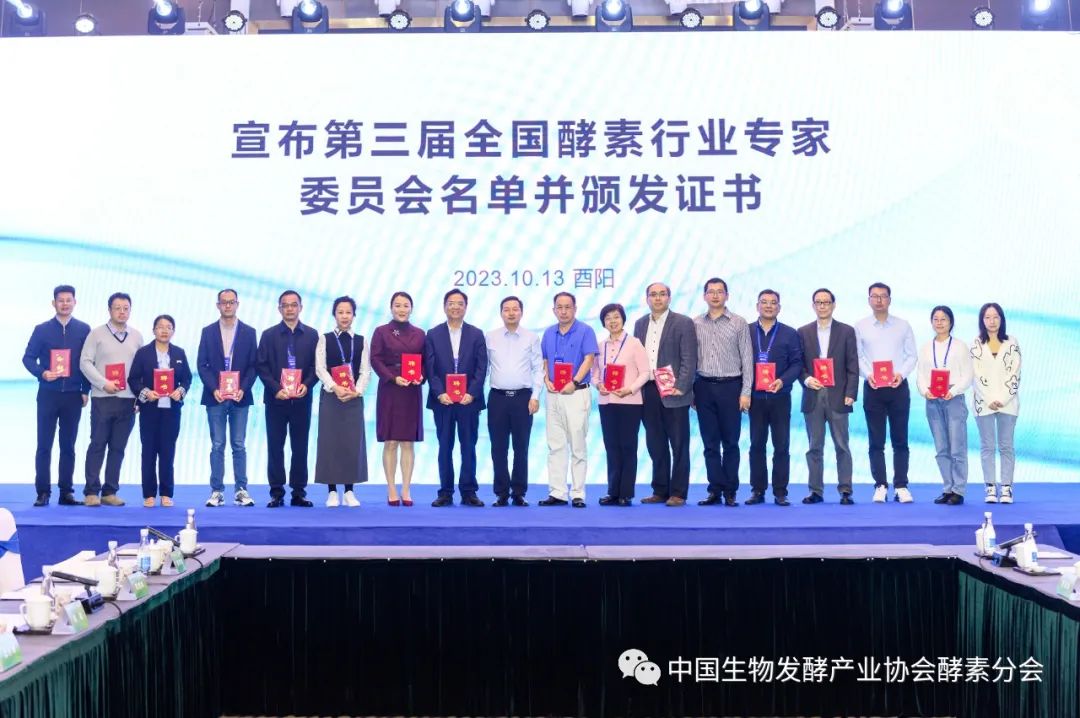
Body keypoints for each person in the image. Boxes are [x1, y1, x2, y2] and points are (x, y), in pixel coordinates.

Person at [22, 285, 91, 507]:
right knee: (44, 444)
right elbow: (28, 358)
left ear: (75, 302)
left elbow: (88, 362)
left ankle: (66, 492)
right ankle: (43, 492)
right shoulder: (42, 330)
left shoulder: (83, 329)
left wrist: (85, 390)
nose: (65, 304)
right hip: (48, 394)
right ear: (54, 303)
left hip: (73, 396)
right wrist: (42, 372)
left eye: (69, 300)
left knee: (68, 446)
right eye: (60, 300)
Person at [632, 282, 697, 507]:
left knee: (679, 444)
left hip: (674, 389)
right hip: (648, 389)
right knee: (655, 443)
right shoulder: (640, 323)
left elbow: (689, 358)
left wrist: (683, 386)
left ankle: (678, 492)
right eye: (653, 294)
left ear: (669, 298)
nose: (657, 298)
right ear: (647, 299)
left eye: (662, 294)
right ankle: (660, 490)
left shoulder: (683, 322)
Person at [424, 289, 488, 507]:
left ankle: (469, 492)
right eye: (451, 303)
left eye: (460, 303)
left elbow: (482, 367)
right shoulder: (433, 334)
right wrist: (439, 392)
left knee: (468, 446)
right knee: (445, 447)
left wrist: (472, 393)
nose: (455, 307)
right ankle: (445, 492)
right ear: (444, 307)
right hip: (443, 401)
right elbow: (430, 367)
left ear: (466, 307)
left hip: (469, 401)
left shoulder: (476, 334)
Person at [855, 282, 918, 503]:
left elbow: (912, 355)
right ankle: (880, 485)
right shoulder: (861, 326)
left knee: (900, 440)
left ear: (890, 299)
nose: (879, 300)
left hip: (898, 387)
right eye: (874, 296)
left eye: (883, 296)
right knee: (876, 441)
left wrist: (901, 373)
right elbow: (857, 356)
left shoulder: (903, 325)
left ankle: (901, 485)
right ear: (869, 300)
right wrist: (868, 374)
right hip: (873, 388)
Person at [79, 292, 143, 507]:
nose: (122, 312)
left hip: (128, 400)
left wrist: (139, 398)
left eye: (126, 308)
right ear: (109, 310)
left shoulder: (137, 336)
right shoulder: (96, 334)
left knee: (118, 447)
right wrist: (102, 383)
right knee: (97, 444)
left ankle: (110, 491)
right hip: (103, 398)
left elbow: (141, 370)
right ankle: (91, 491)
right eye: (117, 308)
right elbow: (85, 362)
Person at [256, 290, 319, 508]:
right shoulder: (268, 335)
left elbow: (316, 366)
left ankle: (299, 493)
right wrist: (276, 389)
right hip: (276, 400)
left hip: (302, 400)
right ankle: (276, 493)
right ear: (279, 308)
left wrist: (306, 385)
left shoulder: (312, 335)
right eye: (286, 305)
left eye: (294, 305)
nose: (290, 308)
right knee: (275, 447)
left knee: (300, 447)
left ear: (300, 307)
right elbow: (261, 366)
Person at [693, 278, 753, 507]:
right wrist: (691, 392)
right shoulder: (695, 323)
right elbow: (691, 358)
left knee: (730, 443)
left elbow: (747, 359)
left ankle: (730, 491)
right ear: (704, 296)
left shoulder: (738, 322)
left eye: (720, 292)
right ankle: (714, 490)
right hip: (703, 387)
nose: (715, 295)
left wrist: (746, 391)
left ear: (727, 295)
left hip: (731, 387)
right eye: (711, 292)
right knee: (710, 444)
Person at [196, 289, 258, 507]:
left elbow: (253, 365)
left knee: (239, 444)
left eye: (232, 302)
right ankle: (216, 491)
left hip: (240, 397)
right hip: (216, 397)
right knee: (217, 445)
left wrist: (243, 388)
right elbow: (202, 364)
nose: (228, 306)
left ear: (237, 304)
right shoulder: (208, 332)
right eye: (224, 302)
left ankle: (241, 490)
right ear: (218, 305)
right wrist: (214, 388)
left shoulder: (249, 332)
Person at [797, 289, 859, 505]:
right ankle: (815, 491)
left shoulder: (846, 331)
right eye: (818, 302)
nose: (822, 306)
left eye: (826, 302)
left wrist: (851, 393)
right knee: (814, 447)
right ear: (813, 305)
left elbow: (853, 365)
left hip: (839, 395)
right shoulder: (802, 332)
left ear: (833, 305)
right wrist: (806, 379)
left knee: (842, 445)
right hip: (813, 395)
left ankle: (845, 490)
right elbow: (798, 364)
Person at [539, 292, 598, 508]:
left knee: (577, 445)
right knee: (555, 445)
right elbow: (545, 360)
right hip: (553, 394)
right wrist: (546, 379)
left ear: (575, 309)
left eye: (567, 307)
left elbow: (589, 360)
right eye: (559, 307)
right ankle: (557, 492)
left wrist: (574, 381)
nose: (563, 311)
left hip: (576, 393)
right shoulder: (548, 333)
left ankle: (578, 493)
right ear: (554, 310)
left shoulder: (585, 330)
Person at [746, 290, 803, 507]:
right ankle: (757, 490)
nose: (769, 306)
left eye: (773, 303)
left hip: (780, 396)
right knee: (756, 445)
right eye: (764, 302)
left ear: (779, 307)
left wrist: (782, 380)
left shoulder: (790, 333)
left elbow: (797, 363)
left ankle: (780, 492)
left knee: (781, 445)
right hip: (755, 397)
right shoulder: (747, 331)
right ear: (757, 306)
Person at [128, 315, 192, 507]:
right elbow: (133, 379)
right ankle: (149, 494)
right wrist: (146, 392)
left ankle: (166, 493)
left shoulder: (179, 353)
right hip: (150, 409)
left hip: (171, 411)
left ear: (173, 331)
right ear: (153, 330)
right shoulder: (143, 353)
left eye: (168, 327)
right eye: (160, 327)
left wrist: (180, 391)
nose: (164, 330)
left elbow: (187, 379)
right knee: (148, 451)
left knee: (167, 452)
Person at [485, 296, 543, 507]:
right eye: (506, 309)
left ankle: (519, 493)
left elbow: (538, 369)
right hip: (497, 398)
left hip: (523, 399)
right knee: (498, 448)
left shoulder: (531, 337)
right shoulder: (490, 337)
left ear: (521, 312)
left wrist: (535, 396)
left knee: (521, 447)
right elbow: (484, 368)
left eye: (515, 309)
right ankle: (501, 493)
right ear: (501, 313)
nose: (511, 313)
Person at [369, 291, 426, 506]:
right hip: (390, 389)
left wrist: (422, 376)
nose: (402, 309)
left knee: (408, 442)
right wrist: (393, 378)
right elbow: (375, 359)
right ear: (391, 308)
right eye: (398, 305)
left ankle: (406, 489)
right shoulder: (381, 331)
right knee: (391, 441)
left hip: (411, 390)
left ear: (411, 308)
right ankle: (391, 488)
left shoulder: (420, 333)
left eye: (405, 305)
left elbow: (426, 361)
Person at [314, 296, 371, 508]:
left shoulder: (361, 340)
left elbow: (365, 370)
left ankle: (349, 490)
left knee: (351, 443)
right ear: (334, 315)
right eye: (340, 312)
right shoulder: (325, 339)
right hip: (331, 397)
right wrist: (335, 387)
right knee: (330, 442)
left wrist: (357, 391)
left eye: (348, 312)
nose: (344, 316)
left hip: (353, 398)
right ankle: (331, 491)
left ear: (354, 315)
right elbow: (320, 368)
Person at [593, 304, 650, 506]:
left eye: (616, 317)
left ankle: (626, 493)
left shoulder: (634, 343)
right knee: (611, 447)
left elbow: (645, 372)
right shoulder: (600, 346)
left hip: (629, 402)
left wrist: (631, 389)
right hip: (607, 402)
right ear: (603, 323)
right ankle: (613, 492)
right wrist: (598, 385)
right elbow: (594, 373)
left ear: (623, 319)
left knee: (627, 447)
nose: (612, 321)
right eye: (608, 318)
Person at [916, 306, 973, 506]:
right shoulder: (925, 347)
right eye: (936, 319)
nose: (939, 323)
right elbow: (921, 375)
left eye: (944, 319)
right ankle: (948, 488)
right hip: (932, 398)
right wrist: (925, 391)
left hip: (953, 397)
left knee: (957, 447)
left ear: (951, 322)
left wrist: (954, 390)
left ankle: (959, 490)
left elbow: (968, 374)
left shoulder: (960, 346)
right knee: (941, 448)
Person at [970, 303, 1021, 504]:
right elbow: (975, 375)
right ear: (982, 320)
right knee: (987, 446)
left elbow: (1015, 373)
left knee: (1006, 446)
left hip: (1008, 403)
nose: (992, 321)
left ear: (1001, 319)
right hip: (983, 404)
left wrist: (1003, 398)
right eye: (987, 317)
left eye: (995, 317)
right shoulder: (976, 344)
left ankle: (1007, 487)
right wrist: (989, 399)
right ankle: (990, 487)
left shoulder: (1012, 342)